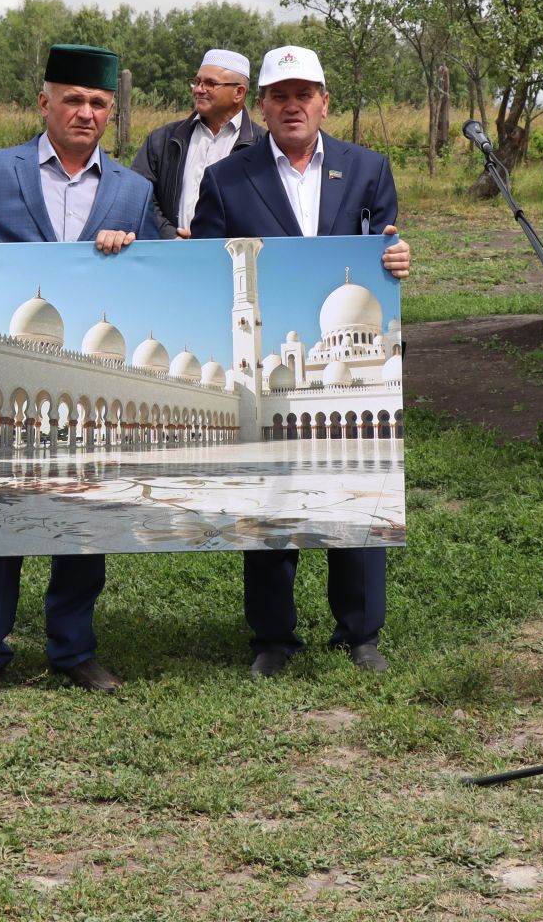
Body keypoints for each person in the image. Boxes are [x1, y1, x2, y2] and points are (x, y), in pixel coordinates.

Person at [0, 44, 164, 694]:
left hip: (88, 382)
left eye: (98, 103)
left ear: (112, 112)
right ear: (44, 101)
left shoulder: (133, 192)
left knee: (85, 512)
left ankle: (73, 648)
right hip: (15, 374)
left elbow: (164, 277)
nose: (85, 112)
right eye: (72, 99)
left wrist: (133, 249)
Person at [189, 45, 411, 677]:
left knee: (358, 497)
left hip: (349, 352)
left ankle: (361, 633)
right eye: (279, 95)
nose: (292, 105)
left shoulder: (367, 169)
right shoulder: (228, 178)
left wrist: (394, 261)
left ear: (323, 101)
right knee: (270, 497)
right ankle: (273, 638)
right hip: (266, 358)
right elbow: (207, 262)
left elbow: (384, 245)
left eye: (304, 93)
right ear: (261, 105)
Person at [130, 48, 263, 237]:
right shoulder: (163, 140)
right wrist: (169, 235)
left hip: (232, 260)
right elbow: (138, 192)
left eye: (210, 83)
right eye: (197, 82)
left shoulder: (262, 146)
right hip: (171, 257)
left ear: (239, 93)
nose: (199, 89)